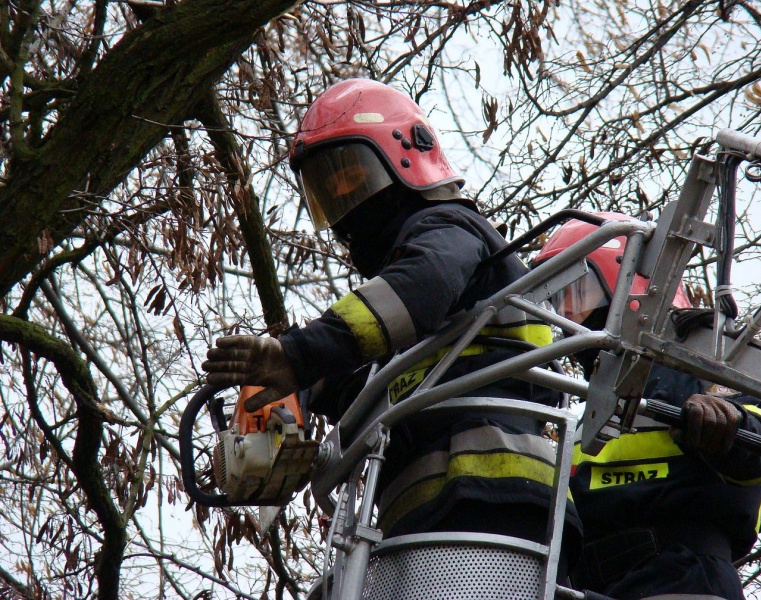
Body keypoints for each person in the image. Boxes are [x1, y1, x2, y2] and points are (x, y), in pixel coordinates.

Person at [201, 78, 582, 574]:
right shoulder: (398, 325)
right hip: (422, 521)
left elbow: (420, 287)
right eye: (328, 189)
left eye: (353, 177)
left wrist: (296, 355)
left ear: (408, 154)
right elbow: (367, 375)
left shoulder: (450, 229)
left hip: (494, 499)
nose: (345, 202)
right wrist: (287, 405)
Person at [534, 212, 761, 600]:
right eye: (559, 302)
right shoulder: (595, 407)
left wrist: (729, 423)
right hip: (593, 586)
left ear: (624, 282)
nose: (569, 318)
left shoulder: (706, 360)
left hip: (680, 576)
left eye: (576, 293)